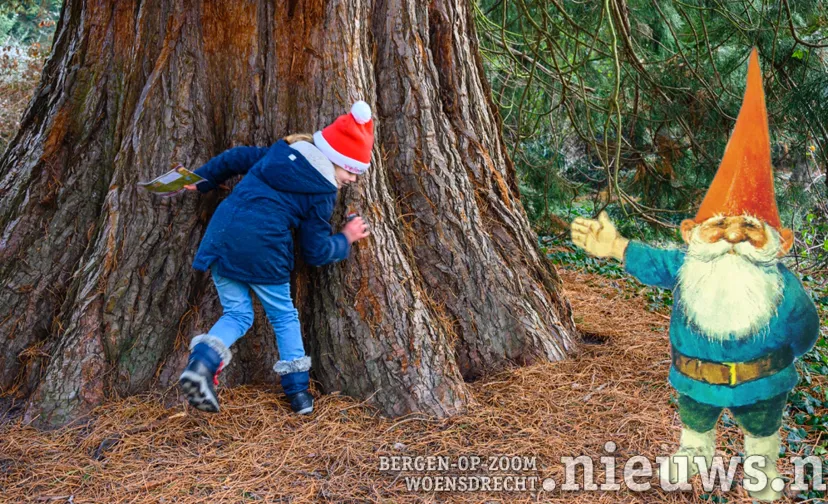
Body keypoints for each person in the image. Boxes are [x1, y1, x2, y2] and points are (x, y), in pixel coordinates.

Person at [570, 49, 819, 501]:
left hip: (763, 382)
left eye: (748, 228)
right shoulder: (688, 267)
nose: (732, 237)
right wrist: (616, 247)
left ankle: (761, 467)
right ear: (692, 233)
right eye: (720, 225)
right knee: (695, 420)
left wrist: (778, 357)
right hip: (694, 379)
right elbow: (654, 263)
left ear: (780, 243)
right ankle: (694, 452)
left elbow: (805, 331)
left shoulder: (784, 288)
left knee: (762, 429)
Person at [178, 101, 374, 415]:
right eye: (350, 169)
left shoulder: (281, 152)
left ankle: (201, 365)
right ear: (335, 158)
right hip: (264, 250)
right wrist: (346, 238)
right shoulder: (322, 193)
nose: (352, 178)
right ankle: (298, 395)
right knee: (283, 317)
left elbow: (237, 157)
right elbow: (315, 251)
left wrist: (203, 179)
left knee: (238, 314)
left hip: (222, 235)